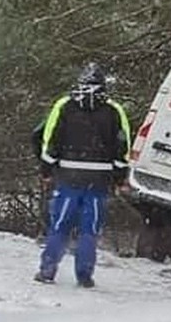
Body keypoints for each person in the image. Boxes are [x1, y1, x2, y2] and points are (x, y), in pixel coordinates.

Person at [34, 63, 131, 288]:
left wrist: (46, 170)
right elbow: (121, 147)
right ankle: (84, 275)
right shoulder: (114, 110)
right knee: (90, 229)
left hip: (68, 175)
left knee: (60, 225)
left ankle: (47, 270)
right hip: (99, 180)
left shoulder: (65, 106)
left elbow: (51, 141)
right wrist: (119, 177)